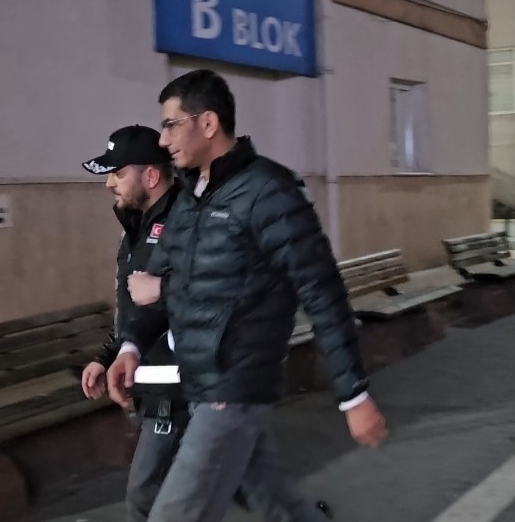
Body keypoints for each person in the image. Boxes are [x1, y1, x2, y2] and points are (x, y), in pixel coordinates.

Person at [106, 69, 388, 522]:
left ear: (208, 123)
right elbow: (159, 285)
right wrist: (131, 346)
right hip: (198, 382)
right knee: (275, 503)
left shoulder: (268, 190)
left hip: (233, 384)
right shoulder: (190, 199)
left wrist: (353, 394)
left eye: (171, 124)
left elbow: (320, 291)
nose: (163, 139)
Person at [78, 125, 189, 522]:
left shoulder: (186, 225)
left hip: (180, 385)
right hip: (156, 378)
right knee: (230, 479)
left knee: (145, 492)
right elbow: (136, 311)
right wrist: (109, 354)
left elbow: (207, 293)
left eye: (118, 173)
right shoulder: (136, 231)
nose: (109, 183)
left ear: (151, 175)